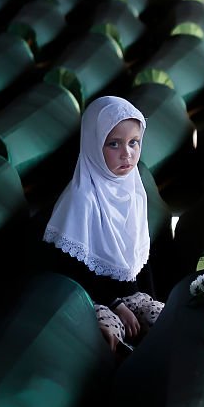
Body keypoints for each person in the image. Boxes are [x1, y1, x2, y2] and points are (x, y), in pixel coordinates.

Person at [44, 96, 164, 352]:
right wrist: (115, 304)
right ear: (93, 144)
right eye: (113, 144)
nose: (127, 154)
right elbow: (71, 267)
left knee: (164, 320)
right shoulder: (81, 197)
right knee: (107, 334)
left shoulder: (134, 191)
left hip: (130, 294)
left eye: (134, 143)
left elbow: (141, 256)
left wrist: (148, 299)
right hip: (90, 298)